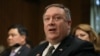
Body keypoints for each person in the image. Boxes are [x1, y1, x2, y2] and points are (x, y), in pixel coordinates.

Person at [28, 4, 98, 56]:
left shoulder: (82, 47)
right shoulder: (35, 51)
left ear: (68, 23)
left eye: (57, 18)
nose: (50, 22)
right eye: (47, 19)